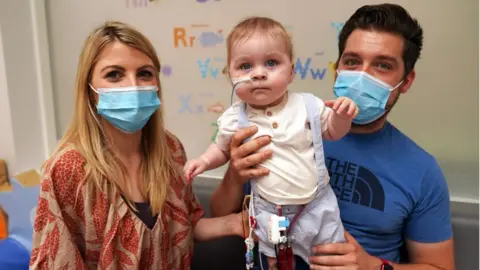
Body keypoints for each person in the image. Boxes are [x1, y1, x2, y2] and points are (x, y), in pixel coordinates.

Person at [211, 4, 455, 270]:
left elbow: (439, 267)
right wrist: (235, 175)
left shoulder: (421, 170)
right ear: (337, 68)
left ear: (406, 81)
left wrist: (373, 266)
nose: (362, 76)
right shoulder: (278, 127)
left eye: (382, 65)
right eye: (352, 61)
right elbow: (222, 216)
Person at [29, 21, 243, 269]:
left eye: (144, 73)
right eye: (114, 75)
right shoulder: (68, 169)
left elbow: (185, 224)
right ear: (89, 90)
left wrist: (237, 222)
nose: (133, 85)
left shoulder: (170, 148)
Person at [184, 16, 358, 268]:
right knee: (272, 259)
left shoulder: (308, 105)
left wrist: (342, 116)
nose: (258, 74)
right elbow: (221, 149)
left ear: (291, 72)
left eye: (271, 63)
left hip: (317, 207)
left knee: (328, 257)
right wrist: (203, 161)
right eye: (245, 66)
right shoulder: (235, 116)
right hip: (269, 209)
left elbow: (333, 131)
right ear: (229, 75)